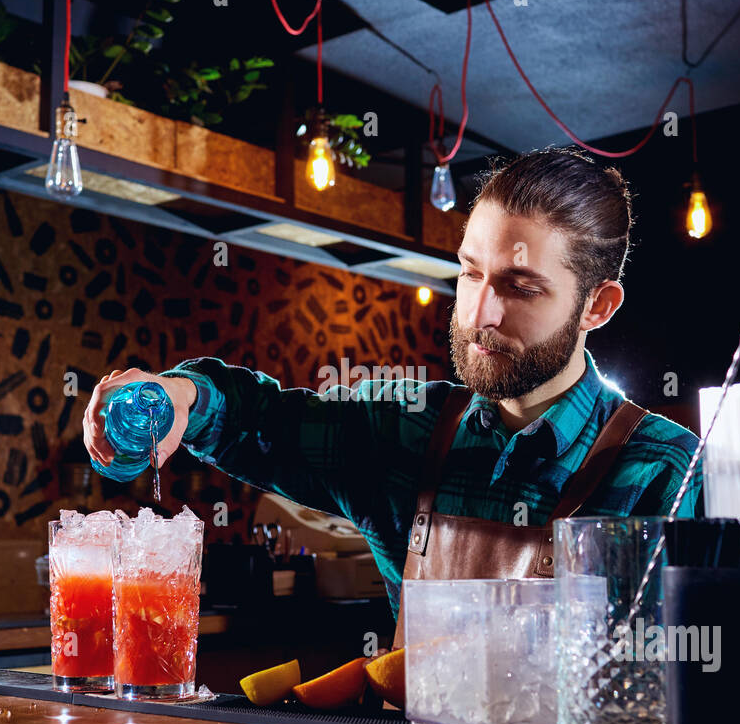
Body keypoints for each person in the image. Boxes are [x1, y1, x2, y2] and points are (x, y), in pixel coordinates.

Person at [83, 146, 702, 643]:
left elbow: (691, 694)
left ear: (597, 305)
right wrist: (180, 396)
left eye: (520, 286)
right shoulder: (404, 429)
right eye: (470, 272)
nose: (480, 313)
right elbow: (258, 418)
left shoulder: (664, 471)